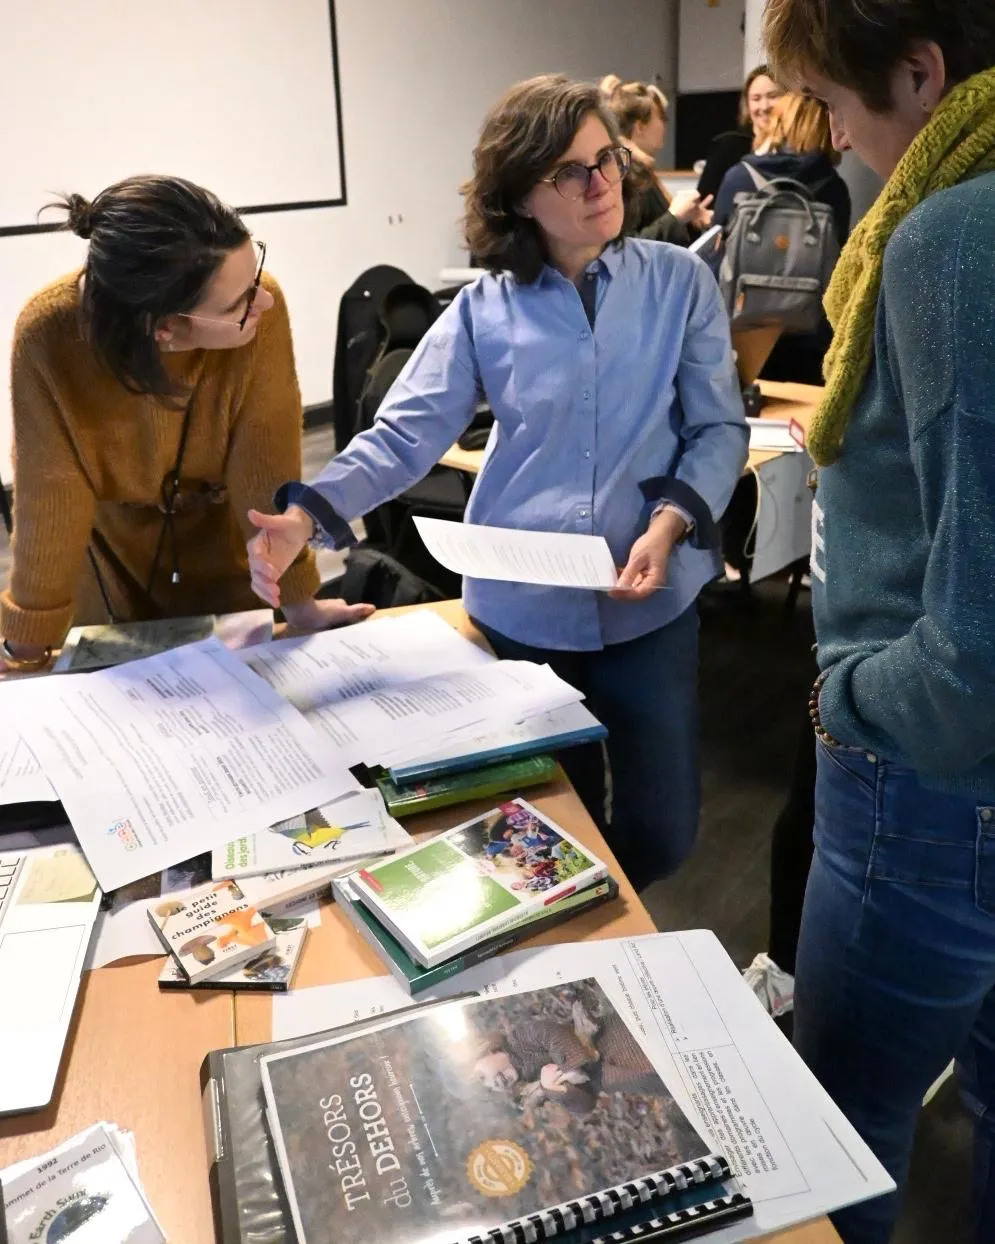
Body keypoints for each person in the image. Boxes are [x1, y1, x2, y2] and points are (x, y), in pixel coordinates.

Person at [247, 74, 749, 891]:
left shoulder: (677, 282)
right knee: (557, 837)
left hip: (649, 603)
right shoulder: (485, 308)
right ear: (519, 197)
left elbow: (716, 428)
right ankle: (587, 949)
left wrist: (667, 527)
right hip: (522, 611)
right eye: (568, 173)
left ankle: (601, 920)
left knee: (663, 830)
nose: (601, 184)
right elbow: (406, 432)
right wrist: (311, 512)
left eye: (607, 159)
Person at [762, 2, 995, 1241]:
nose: (847, 148)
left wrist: (836, 698)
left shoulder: (953, 236)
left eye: (844, 111)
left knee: (834, 1125)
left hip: (932, 788)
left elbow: (970, 657)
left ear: (919, 73)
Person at [0, 175, 371, 674]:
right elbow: (51, 499)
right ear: (166, 330)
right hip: (114, 566)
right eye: (237, 305)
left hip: (229, 550)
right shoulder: (48, 334)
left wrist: (300, 604)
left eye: (255, 274)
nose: (261, 302)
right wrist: (25, 644)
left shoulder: (262, 312)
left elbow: (265, 470)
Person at [714, 92, 851, 384]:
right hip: (809, 332)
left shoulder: (739, 176)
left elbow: (717, 248)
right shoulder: (833, 187)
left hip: (744, 329)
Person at [599, 75, 711, 243]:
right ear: (640, 127)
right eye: (661, 118)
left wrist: (688, 218)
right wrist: (675, 217)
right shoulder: (627, 175)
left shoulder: (640, 172)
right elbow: (625, 245)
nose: (665, 126)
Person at [697, 65, 783, 201]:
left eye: (772, 96)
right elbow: (704, 203)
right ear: (747, 105)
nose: (764, 106)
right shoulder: (727, 147)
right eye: (756, 98)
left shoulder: (797, 148)